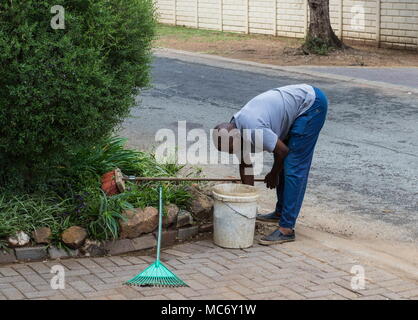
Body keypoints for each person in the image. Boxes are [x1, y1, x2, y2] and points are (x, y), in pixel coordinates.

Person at [213, 84, 328, 245]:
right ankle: (280, 213)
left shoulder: (253, 128)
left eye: (234, 149)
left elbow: (282, 152)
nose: (235, 152)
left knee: (293, 165)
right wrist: (249, 206)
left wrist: (273, 174)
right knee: (283, 163)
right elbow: (245, 164)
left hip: (310, 104)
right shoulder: (235, 128)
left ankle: (287, 229)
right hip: (295, 106)